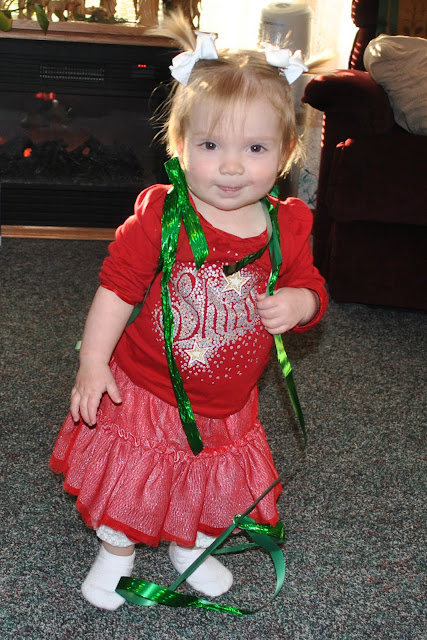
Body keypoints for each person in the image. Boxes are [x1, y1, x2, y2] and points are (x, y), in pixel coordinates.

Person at [49, 12, 328, 611]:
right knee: (133, 478)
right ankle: (117, 551)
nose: (231, 166)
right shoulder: (163, 216)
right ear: (179, 146)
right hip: (148, 389)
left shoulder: (289, 226)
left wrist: (301, 302)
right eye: (210, 146)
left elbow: (313, 287)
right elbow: (117, 289)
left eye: (255, 148)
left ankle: (190, 545)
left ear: (286, 153)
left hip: (228, 402)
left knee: (206, 481)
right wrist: (93, 363)